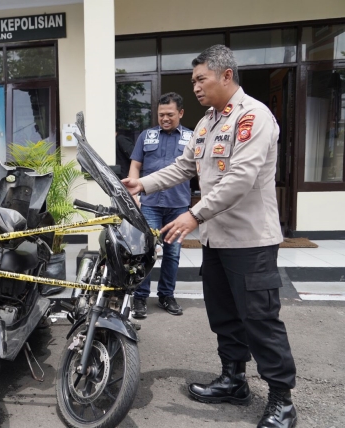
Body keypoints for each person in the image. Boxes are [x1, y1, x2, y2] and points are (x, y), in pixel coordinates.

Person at [122, 45, 297, 428]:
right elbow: (182, 167)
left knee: (260, 320)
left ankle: (282, 400)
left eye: (201, 79)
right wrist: (141, 186)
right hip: (217, 240)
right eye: (194, 81)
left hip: (251, 241)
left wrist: (193, 214)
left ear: (226, 75)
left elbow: (241, 179)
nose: (196, 87)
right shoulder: (207, 123)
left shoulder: (254, 117)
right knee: (225, 316)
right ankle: (234, 380)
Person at [128, 92, 193, 319]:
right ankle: (140, 298)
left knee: (172, 253)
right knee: (145, 252)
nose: (165, 118)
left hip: (178, 205)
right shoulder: (146, 136)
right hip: (151, 204)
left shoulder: (192, 138)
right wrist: (134, 195)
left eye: (170, 114)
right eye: (161, 114)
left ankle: (166, 295)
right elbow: (136, 165)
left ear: (181, 113)